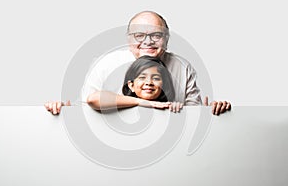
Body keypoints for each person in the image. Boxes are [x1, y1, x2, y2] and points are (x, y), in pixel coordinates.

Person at [45, 10, 231, 115]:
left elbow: (193, 113)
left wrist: (213, 111)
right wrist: (63, 109)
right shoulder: (106, 63)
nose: (147, 42)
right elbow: (86, 106)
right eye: (139, 35)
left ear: (166, 39)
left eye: (156, 35)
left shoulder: (182, 67)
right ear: (128, 38)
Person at [87, 55, 183, 113]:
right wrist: (143, 103)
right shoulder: (123, 103)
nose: (149, 82)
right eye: (142, 77)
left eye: (156, 78)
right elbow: (93, 99)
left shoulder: (167, 105)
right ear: (131, 85)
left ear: (164, 85)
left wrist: (176, 107)